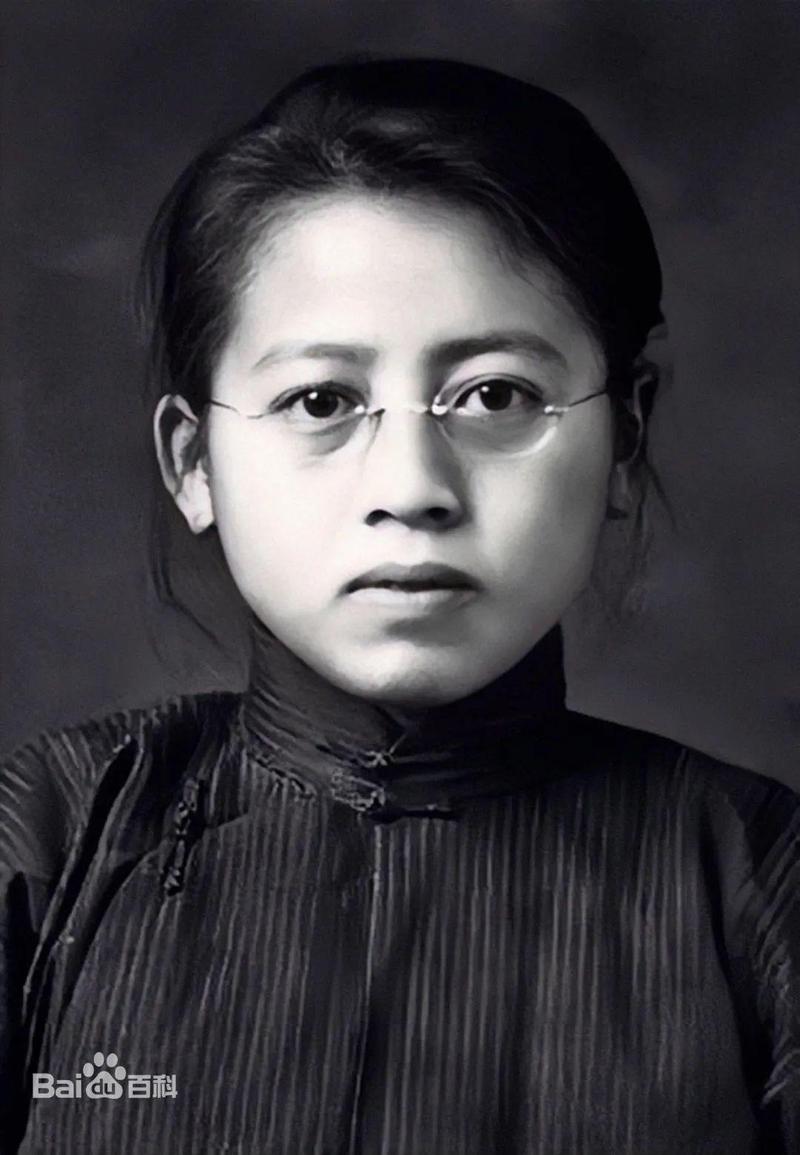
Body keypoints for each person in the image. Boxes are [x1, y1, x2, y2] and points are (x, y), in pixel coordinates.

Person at [1, 58, 798, 1155]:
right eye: (320, 400)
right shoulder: (49, 836)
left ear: (625, 438)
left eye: (495, 395)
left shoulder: (758, 878)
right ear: (194, 461)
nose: (411, 488)